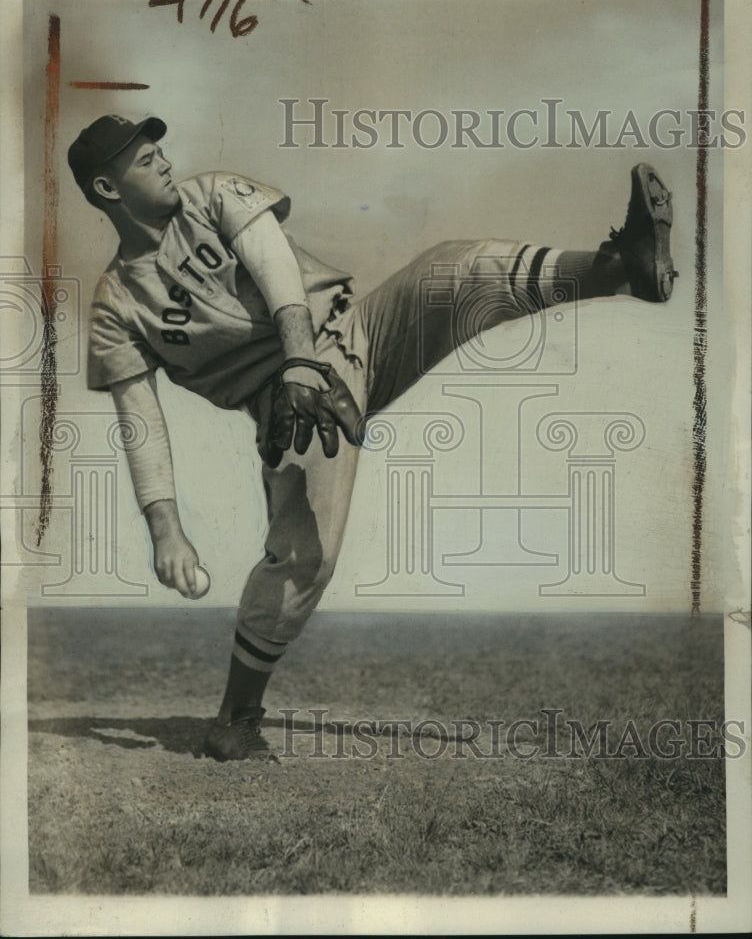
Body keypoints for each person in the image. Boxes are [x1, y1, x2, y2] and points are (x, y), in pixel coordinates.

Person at [68, 114, 678, 761]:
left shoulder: (211, 194)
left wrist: (303, 354)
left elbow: (274, 265)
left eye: (157, 145)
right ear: (109, 190)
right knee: (307, 554)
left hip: (350, 333)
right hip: (293, 405)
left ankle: (617, 269)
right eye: (141, 157)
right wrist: (166, 528)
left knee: (451, 272)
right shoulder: (115, 307)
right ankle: (238, 714)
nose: (161, 157)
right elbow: (140, 418)